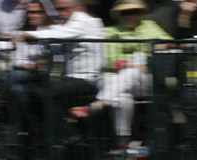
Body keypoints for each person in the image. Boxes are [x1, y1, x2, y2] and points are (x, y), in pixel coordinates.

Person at [69, 0, 172, 148]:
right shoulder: (111, 32)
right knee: (123, 98)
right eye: (125, 13)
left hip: (143, 80)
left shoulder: (149, 26)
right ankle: (122, 144)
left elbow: (171, 43)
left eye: (134, 12)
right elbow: (113, 62)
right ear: (119, 15)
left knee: (129, 74)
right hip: (113, 77)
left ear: (140, 14)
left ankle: (98, 104)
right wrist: (136, 63)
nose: (129, 16)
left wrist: (154, 48)